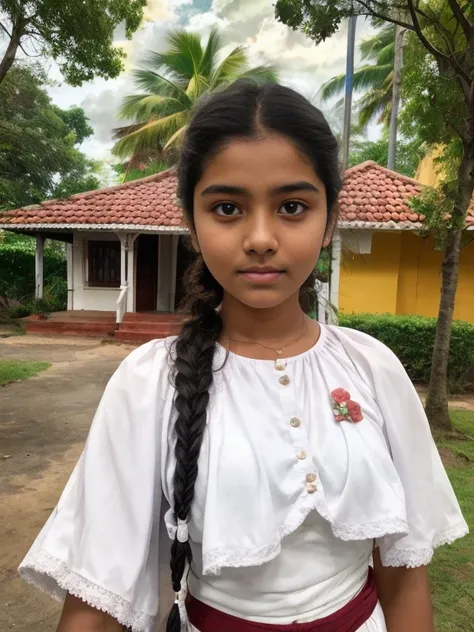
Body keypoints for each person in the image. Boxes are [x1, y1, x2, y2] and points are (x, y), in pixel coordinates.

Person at [19, 81, 468, 632]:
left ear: (328, 221)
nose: (260, 237)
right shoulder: (149, 383)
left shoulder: (371, 368)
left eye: (293, 206)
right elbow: (97, 598)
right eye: (228, 207)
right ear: (192, 223)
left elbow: (405, 571)